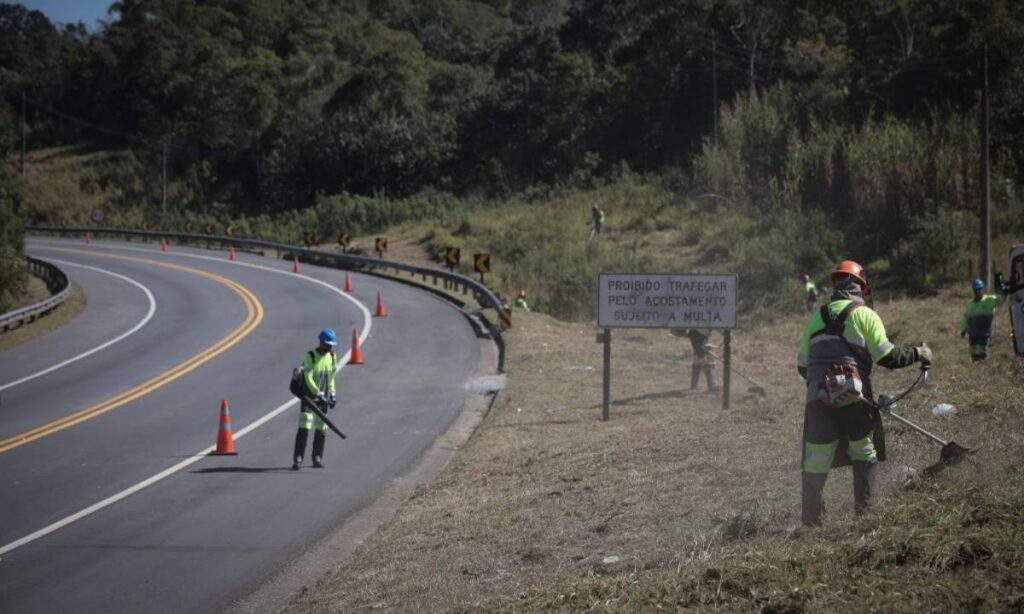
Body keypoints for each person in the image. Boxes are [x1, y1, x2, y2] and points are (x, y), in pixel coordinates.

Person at [797, 260, 931, 526]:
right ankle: (864, 516)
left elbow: (803, 366)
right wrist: (919, 352)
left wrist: (826, 387)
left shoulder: (815, 318)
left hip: (818, 401)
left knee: (815, 460)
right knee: (864, 452)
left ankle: (811, 524)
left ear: (836, 285)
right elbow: (888, 356)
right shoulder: (865, 314)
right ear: (862, 288)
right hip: (855, 401)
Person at [292, 328, 339, 470]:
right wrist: (318, 394)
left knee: (321, 428)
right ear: (320, 342)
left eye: (330, 345)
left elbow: (331, 378)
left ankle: (317, 457)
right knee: (304, 426)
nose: (328, 348)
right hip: (309, 398)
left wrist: (332, 394)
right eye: (326, 345)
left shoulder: (332, 357)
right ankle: (298, 458)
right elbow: (308, 377)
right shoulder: (310, 356)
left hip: (323, 398)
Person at [960, 278, 1006, 361]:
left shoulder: (989, 300)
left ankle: (983, 368)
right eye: (975, 290)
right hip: (973, 334)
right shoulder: (970, 304)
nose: (977, 291)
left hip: (985, 333)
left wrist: (1001, 289)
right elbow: (966, 318)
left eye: (979, 289)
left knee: (982, 354)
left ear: (982, 289)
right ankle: (976, 371)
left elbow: (1001, 300)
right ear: (973, 290)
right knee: (974, 355)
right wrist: (963, 330)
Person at [686, 328, 718, 393]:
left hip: (697, 339)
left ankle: (694, 386)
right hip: (700, 340)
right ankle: (712, 386)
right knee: (708, 365)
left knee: (698, 364)